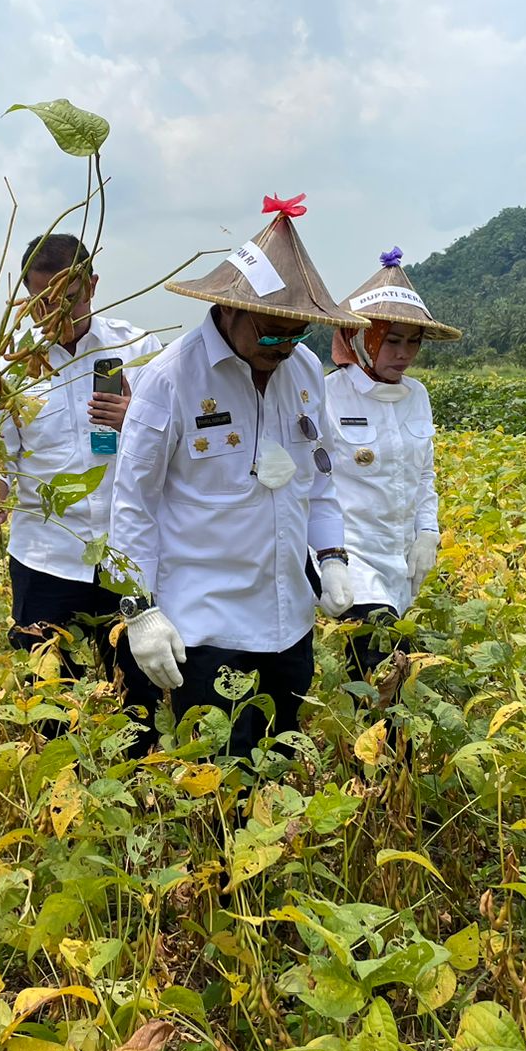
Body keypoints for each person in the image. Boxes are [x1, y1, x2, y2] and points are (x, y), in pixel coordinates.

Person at [110, 193, 368, 760]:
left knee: (278, 776)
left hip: (289, 621)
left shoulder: (303, 371)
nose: (283, 345)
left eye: (296, 332)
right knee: (219, 789)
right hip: (204, 627)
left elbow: (318, 480)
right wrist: (140, 611)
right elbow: (133, 504)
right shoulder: (170, 380)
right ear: (229, 309)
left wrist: (332, 557)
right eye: (271, 331)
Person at [0, 232, 163, 756]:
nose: (55, 315)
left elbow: (183, 444)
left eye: (70, 299)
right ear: (25, 297)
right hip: (45, 557)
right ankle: (66, 787)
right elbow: (0, 461)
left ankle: (139, 784)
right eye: (42, 303)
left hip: (127, 552)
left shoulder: (139, 349)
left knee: (139, 692)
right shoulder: (9, 369)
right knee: (49, 694)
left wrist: (137, 419)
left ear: (94, 287)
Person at [322, 246, 462, 683]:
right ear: (363, 340)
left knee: (380, 674)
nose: (403, 354)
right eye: (392, 340)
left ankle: (369, 746)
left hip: (400, 554)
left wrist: (428, 532)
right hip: (353, 554)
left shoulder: (416, 396)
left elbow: (423, 475)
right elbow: (312, 484)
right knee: (382, 663)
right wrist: (328, 558)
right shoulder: (326, 394)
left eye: (412, 342)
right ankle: (380, 750)